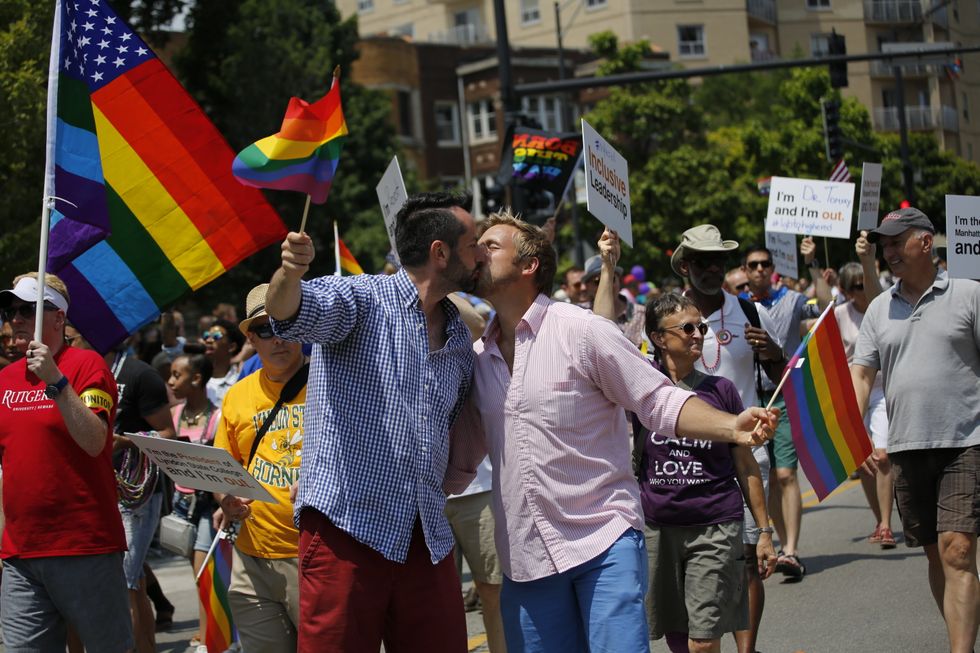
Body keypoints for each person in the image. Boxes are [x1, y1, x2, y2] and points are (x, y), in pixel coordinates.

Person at [445, 211, 778, 652]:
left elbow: (656, 399)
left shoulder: (582, 331)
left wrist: (730, 426)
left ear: (528, 266)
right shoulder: (478, 358)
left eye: (490, 246)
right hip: (526, 559)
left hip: (602, 544)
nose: (476, 254)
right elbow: (460, 460)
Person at [266, 192, 486, 652]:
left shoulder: (460, 341)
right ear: (439, 253)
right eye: (473, 243)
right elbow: (289, 314)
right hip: (345, 530)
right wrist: (289, 273)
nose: (481, 253)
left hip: (424, 534)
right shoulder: (361, 299)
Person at [850, 207, 980, 653]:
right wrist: (854, 432)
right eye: (883, 243)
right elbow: (862, 374)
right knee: (934, 554)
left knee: (957, 549)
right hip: (906, 445)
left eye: (895, 241)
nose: (887, 251)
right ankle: (959, 634)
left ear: (926, 242)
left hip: (966, 442)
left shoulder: (968, 294)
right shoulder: (879, 309)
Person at [0, 273, 132, 651]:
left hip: (84, 546)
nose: (16, 319)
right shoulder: (6, 379)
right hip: (21, 554)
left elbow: (95, 442)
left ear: (58, 317)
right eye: (11, 311)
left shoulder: (87, 365)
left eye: (28, 309)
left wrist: (56, 382)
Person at [640, 293, 776, 653]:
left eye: (701, 326)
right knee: (677, 635)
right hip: (659, 528)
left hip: (714, 526)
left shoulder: (722, 391)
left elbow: (745, 464)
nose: (699, 334)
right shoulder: (640, 390)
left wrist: (763, 531)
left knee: (703, 641)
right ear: (658, 337)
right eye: (687, 328)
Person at [670, 224, 784, 653]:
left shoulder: (749, 311)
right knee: (696, 563)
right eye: (701, 261)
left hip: (746, 451)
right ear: (685, 266)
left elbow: (780, 376)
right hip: (689, 454)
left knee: (748, 562)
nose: (711, 269)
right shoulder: (668, 316)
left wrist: (772, 353)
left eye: (718, 260)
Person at [213, 284, 307, 653]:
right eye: (266, 330)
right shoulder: (238, 394)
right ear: (251, 338)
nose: (278, 339)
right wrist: (225, 499)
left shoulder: (330, 383)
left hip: (314, 555)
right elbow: (226, 466)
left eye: (287, 325)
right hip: (251, 556)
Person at [739, 237, 832, 580]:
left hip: (784, 394)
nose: (760, 269)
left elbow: (824, 307)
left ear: (773, 270)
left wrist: (812, 264)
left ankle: (791, 550)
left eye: (766, 264)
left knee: (785, 474)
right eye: (754, 265)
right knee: (767, 480)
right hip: (751, 397)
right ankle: (776, 545)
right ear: (744, 271)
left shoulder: (791, 300)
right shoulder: (738, 307)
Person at [107, 338, 176, 653]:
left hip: (136, 494)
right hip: (101, 492)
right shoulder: (81, 372)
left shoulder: (139, 375)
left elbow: (168, 434)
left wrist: (126, 442)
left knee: (126, 582)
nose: (71, 337)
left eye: (75, 333)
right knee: (122, 583)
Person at [834, 237, 895, 549]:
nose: (861, 289)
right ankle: (877, 517)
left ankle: (886, 523)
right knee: (864, 457)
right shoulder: (840, 314)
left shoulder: (882, 306)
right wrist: (818, 274)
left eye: (864, 284)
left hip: (882, 387)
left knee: (883, 455)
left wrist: (866, 259)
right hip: (854, 390)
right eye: (855, 286)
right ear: (845, 290)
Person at [168, 352, 223, 651]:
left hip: (207, 505)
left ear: (197, 379)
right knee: (196, 571)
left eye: (177, 375)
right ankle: (211, 631)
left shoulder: (217, 417)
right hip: (181, 500)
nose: (171, 381)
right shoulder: (173, 415)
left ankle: (206, 638)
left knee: (203, 574)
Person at [201, 318, 244, 406]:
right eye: (206, 336)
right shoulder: (197, 381)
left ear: (231, 347)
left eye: (216, 336)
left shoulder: (241, 381)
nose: (208, 340)